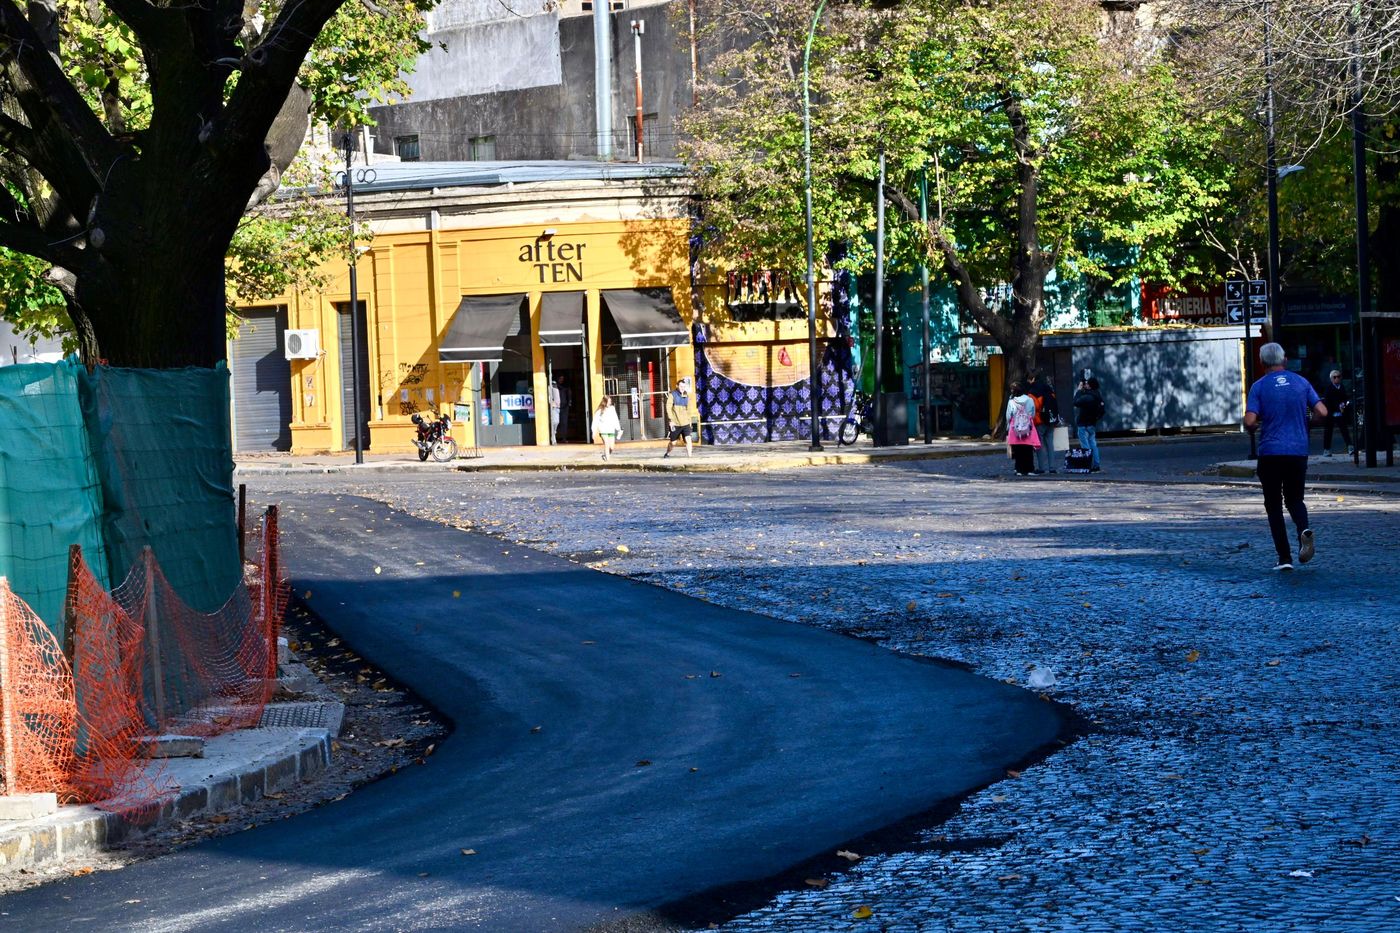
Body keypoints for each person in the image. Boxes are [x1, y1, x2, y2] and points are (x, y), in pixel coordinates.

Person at [1244, 343, 1328, 572]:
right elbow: (1322, 412)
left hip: (1271, 453)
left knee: (1273, 506)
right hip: (1297, 452)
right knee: (1295, 499)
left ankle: (1284, 558)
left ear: (1262, 364)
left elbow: (1250, 421)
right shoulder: (1301, 383)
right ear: (1285, 360)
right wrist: (1308, 423)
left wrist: (1254, 426)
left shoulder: (1259, 387)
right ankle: (1303, 530)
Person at [1026, 370, 1059, 474]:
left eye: (1029, 379)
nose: (1028, 381)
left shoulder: (1033, 391)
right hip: (1051, 419)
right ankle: (1052, 467)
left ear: (1033, 379)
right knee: (1050, 444)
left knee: (1039, 445)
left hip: (1040, 420)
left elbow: (1034, 407)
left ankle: (1041, 468)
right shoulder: (1048, 388)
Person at [1005, 381, 1040, 477]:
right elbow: (1032, 414)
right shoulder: (1029, 400)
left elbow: (1008, 416)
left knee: (1018, 449)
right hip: (1027, 427)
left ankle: (1019, 469)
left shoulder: (1011, 401)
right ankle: (1029, 469)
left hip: (1015, 428)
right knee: (1028, 448)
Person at [1073, 376, 1105, 473]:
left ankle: (1088, 464)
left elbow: (1075, 402)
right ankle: (1096, 465)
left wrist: (1078, 390)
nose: (1085, 385)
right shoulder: (1097, 395)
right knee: (1093, 444)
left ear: (1090, 386)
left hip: (1083, 424)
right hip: (1092, 424)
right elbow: (1102, 411)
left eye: (1087, 384)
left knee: (1085, 445)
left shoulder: (1087, 397)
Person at [1320, 369, 1352, 457]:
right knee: (1328, 432)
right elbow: (1327, 401)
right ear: (1331, 379)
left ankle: (1350, 447)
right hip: (1331, 413)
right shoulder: (1329, 388)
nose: (1337, 378)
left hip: (1340, 413)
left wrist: (1344, 404)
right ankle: (1326, 450)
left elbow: (1345, 398)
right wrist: (1337, 406)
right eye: (1335, 377)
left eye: (1338, 376)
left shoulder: (1342, 387)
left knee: (1344, 430)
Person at [664, 376, 697, 458]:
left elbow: (689, 409)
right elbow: (668, 407)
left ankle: (690, 457)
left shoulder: (686, 396)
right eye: (681, 386)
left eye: (684, 386)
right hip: (675, 423)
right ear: (677, 386)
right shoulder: (672, 395)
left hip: (685, 422)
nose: (682, 388)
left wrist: (689, 421)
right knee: (673, 443)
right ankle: (667, 453)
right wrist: (671, 420)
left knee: (688, 439)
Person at [592, 395, 621, 461]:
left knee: (612, 447)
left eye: (610, 401)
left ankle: (605, 455)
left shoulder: (612, 408)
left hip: (611, 429)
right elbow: (595, 421)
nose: (610, 403)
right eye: (609, 401)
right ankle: (607, 460)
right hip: (603, 430)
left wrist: (618, 428)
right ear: (605, 402)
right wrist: (594, 432)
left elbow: (615, 419)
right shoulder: (599, 411)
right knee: (607, 444)